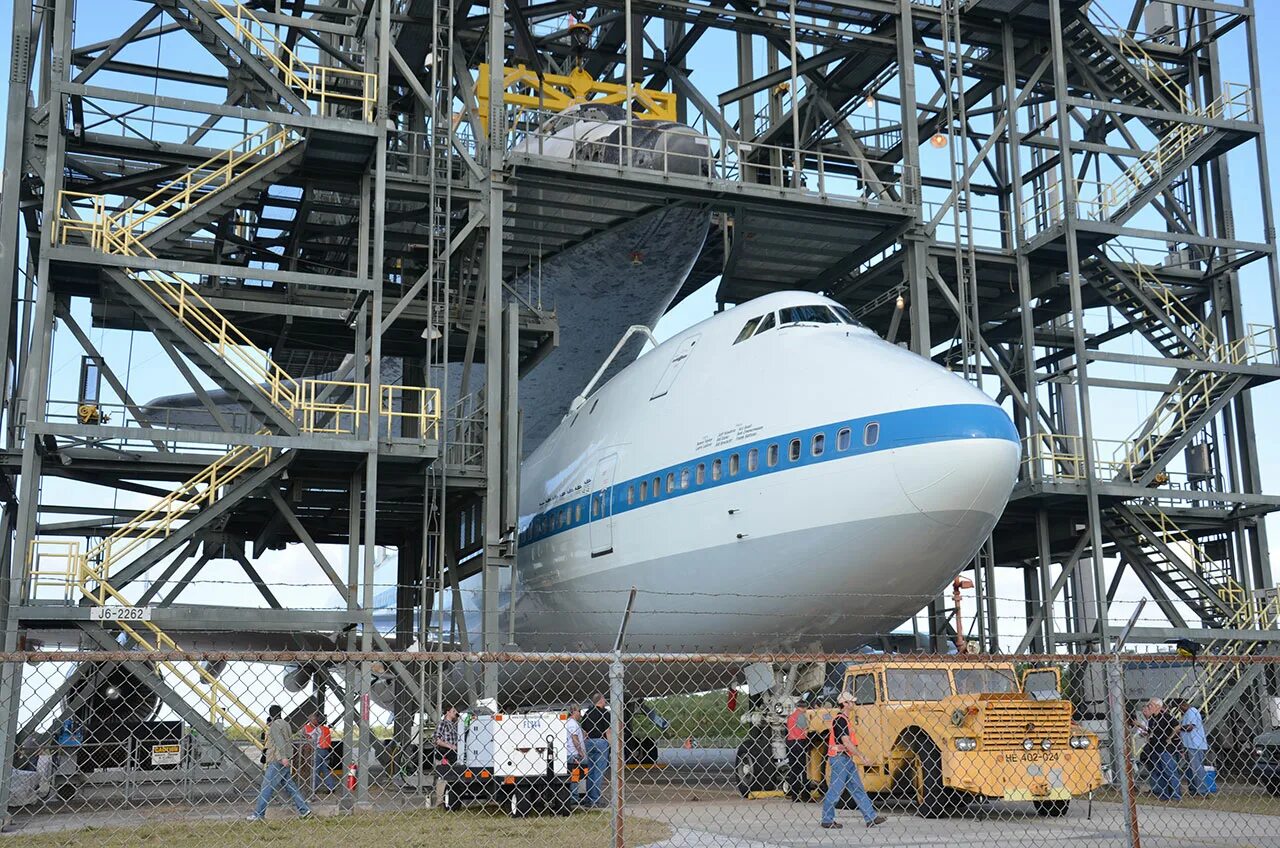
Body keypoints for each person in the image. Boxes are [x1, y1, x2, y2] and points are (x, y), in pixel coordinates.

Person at [820, 693, 886, 829]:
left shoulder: (844, 719)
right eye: (851, 702)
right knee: (836, 790)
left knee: (858, 789)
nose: (853, 704)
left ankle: (871, 818)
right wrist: (861, 756)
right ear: (845, 703)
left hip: (846, 759)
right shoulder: (840, 720)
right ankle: (827, 819)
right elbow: (846, 742)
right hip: (840, 759)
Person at [248, 705, 312, 821]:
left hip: (277, 759)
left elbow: (279, 742)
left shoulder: (274, 726)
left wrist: (282, 757)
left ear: (270, 713)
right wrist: (286, 757)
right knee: (290, 786)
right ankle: (304, 809)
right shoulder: (286, 724)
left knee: (266, 787)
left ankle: (259, 814)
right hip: (286, 758)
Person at [1142, 698, 1181, 801]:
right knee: (1159, 772)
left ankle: (1176, 795)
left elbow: (1177, 726)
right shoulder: (1152, 719)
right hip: (1154, 748)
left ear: (1158, 706)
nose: (1148, 707)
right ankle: (1165, 794)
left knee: (1170, 772)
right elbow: (1150, 732)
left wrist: (1170, 738)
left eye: (1151, 705)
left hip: (1164, 748)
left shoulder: (1166, 717)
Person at [1173, 698, 1211, 795]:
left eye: (1179, 708)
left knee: (1197, 768)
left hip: (1195, 744)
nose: (1179, 711)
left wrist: (1180, 728)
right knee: (1190, 768)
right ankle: (1193, 789)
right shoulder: (1186, 714)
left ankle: (1202, 791)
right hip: (1189, 744)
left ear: (1182, 705)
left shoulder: (1192, 712)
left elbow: (1190, 727)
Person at [582, 693, 611, 808]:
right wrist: (612, 745)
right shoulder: (605, 713)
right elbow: (608, 731)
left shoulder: (587, 713)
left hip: (589, 742)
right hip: (601, 741)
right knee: (599, 772)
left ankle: (589, 798)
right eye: (604, 700)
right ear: (601, 700)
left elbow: (584, 731)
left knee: (590, 771)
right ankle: (596, 799)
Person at [304, 712, 334, 794]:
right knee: (325, 769)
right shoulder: (326, 729)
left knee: (315, 770)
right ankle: (331, 786)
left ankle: (314, 788)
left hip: (318, 750)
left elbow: (310, 737)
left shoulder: (317, 729)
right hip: (326, 750)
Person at [785, 705, 810, 800]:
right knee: (803, 770)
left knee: (794, 770)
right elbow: (805, 731)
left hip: (790, 742)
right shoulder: (801, 715)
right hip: (799, 742)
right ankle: (805, 795)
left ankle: (794, 795)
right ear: (803, 707)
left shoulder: (791, 716)